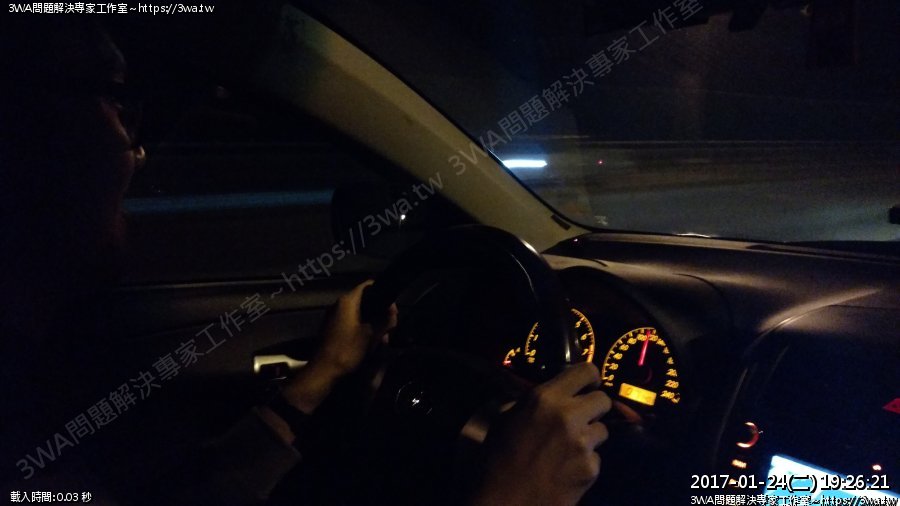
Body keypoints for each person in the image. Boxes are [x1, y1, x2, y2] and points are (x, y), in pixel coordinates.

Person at [0, 16, 611, 506]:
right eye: (115, 102)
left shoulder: (27, 377)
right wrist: (512, 495)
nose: (139, 152)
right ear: (27, 133)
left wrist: (318, 380)